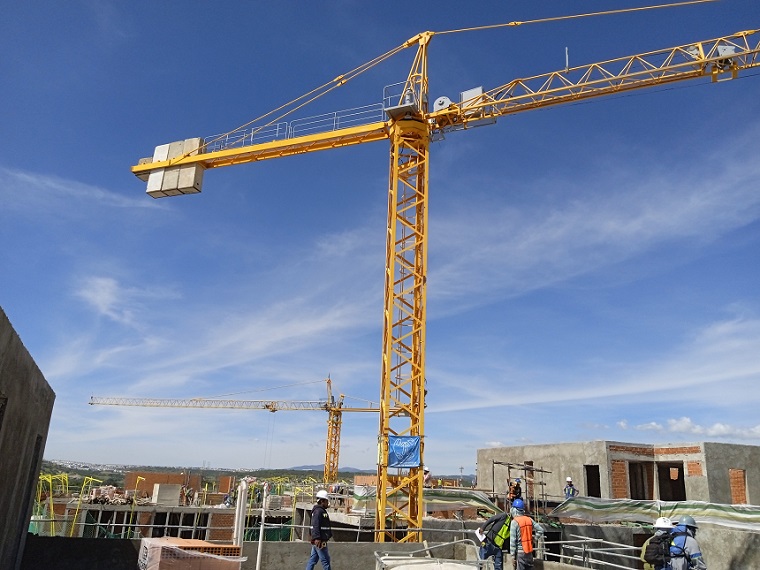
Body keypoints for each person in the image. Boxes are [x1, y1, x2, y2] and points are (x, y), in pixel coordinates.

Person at [509, 498, 544, 570]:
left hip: (520, 553)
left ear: (514, 510)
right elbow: (540, 530)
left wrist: (513, 556)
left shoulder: (514, 522)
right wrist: (534, 540)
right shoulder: (529, 519)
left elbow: (512, 541)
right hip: (529, 552)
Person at [306, 489, 333, 570]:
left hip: (320, 539)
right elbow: (315, 525)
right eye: (326, 501)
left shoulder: (321, 511)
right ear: (322, 501)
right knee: (326, 561)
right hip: (320, 540)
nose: (327, 503)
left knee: (313, 560)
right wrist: (317, 538)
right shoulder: (318, 511)